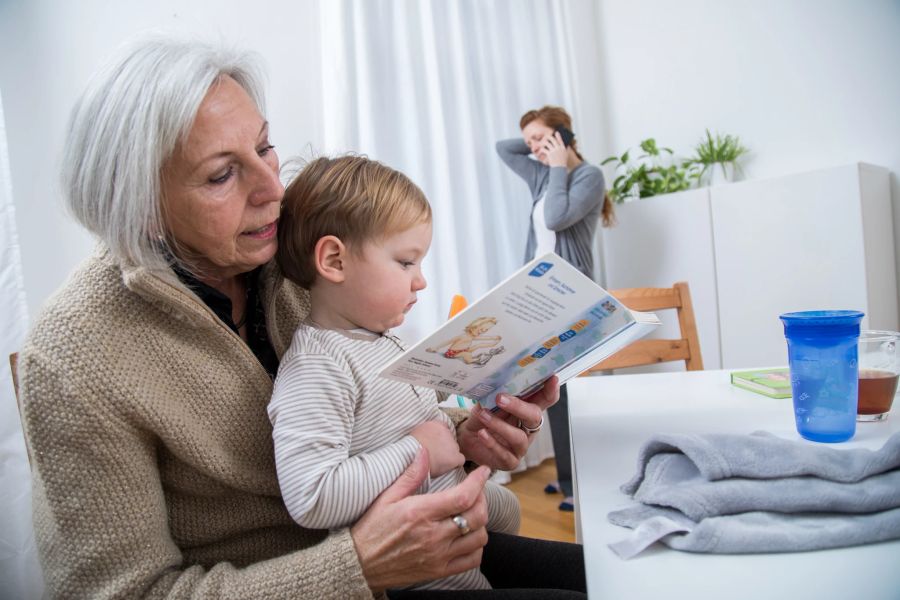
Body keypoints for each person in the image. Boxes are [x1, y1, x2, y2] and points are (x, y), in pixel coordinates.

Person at [17, 35, 584, 599]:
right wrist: (358, 567)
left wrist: (470, 437)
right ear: (142, 208)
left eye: (264, 148)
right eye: (221, 175)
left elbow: (373, 415)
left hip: (422, 552)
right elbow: (123, 593)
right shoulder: (75, 352)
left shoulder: (293, 254)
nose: (273, 189)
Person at [270, 155, 520, 592]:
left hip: (460, 555)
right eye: (406, 263)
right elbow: (312, 496)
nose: (421, 281)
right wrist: (416, 450)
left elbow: (425, 430)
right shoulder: (318, 366)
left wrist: (472, 431)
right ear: (334, 260)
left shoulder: (382, 341)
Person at [496, 105, 614, 512]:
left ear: (562, 136)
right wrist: (539, 145)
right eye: (530, 141)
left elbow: (556, 215)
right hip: (541, 297)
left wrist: (560, 159)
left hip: (574, 295)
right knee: (554, 391)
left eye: (540, 138)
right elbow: (504, 149)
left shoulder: (588, 177)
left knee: (573, 390)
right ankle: (569, 480)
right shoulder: (541, 172)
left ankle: (579, 484)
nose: (532, 148)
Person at [426, 316, 505, 366]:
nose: (482, 332)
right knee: (466, 354)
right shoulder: (463, 336)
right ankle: (470, 360)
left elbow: (484, 338)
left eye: (485, 330)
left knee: (478, 345)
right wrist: (436, 347)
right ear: (474, 326)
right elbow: (448, 341)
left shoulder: (472, 337)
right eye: (481, 329)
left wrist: (493, 338)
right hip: (452, 353)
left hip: (464, 350)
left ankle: (493, 344)